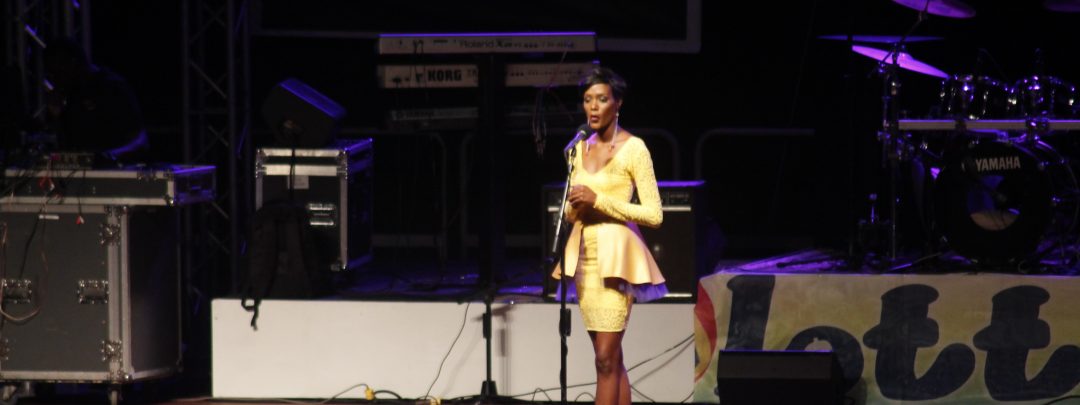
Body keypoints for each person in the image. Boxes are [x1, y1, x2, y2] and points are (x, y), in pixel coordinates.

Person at [553, 66, 667, 405]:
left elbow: (654, 214)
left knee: (604, 358)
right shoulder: (578, 149)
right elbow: (572, 210)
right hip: (584, 258)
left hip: (616, 261)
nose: (593, 106)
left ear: (618, 103)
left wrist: (598, 200)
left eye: (601, 99)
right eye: (587, 99)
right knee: (610, 359)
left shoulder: (635, 149)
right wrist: (574, 206)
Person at [42, 38, 148, 165]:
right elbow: (67, 145)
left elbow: (140, 141)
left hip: (116, 170)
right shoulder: (70, 94)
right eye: (51, 74)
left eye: (58, 72)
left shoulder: (111, 87)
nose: (55, 80)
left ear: (72, 63)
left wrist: (109, 156)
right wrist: (57, 115)